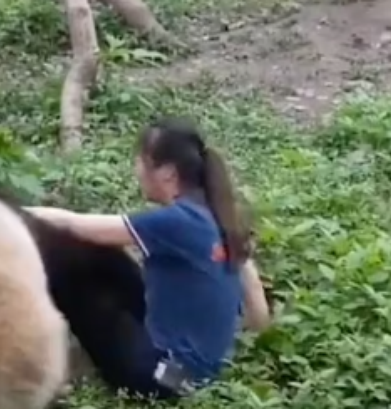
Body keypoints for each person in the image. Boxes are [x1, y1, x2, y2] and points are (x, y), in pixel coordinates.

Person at [25, 117, 270, 400]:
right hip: (197, 369)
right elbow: (251, 286)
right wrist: (258, 348)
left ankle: (37, 368)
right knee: (107, 258)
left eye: (140, 161)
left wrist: (5, 213)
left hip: (165, 379)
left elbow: (72, 224)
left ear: (166, 173)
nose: (136, 170)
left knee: (76, 271)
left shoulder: (177, 221)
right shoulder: (217, 212)